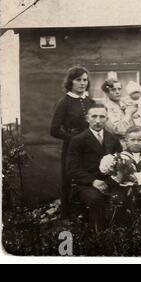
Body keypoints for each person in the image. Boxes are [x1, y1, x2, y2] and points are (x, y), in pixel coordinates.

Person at [66, 104, 122, 233]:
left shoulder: (113, 139)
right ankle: (98, 236)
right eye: (94, 116)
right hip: (86, 184)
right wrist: (93, 181)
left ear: (107, 118)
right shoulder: (78, 140)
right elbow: (72, 168)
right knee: (95, 199)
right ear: (87, 118)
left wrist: (110, 182)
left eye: (102, 116)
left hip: (109, 181)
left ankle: (120, 236)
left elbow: (120, 163)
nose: (98, 120)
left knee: (121, 197)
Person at [50, 65, 95, 218]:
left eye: (85, 80)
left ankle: (86, 215)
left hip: (90, 149)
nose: (82, 83)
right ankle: (67, 218)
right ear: (71, 82)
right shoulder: (65, 102)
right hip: (72, 148)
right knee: (69, 181)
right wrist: (74, 139)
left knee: (89, 178)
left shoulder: (90, 101)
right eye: (78, 80)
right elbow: (54, 130)